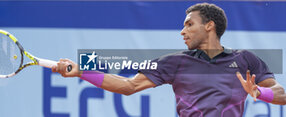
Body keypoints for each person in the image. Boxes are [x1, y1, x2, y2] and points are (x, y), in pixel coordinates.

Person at [52, 3, 286, 117]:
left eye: (189, 24)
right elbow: (128, 86)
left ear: (209, 25)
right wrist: (82, 71)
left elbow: (282, 95)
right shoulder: (174, 62)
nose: (182, 31)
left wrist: (258, 92)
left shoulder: (245, 60)